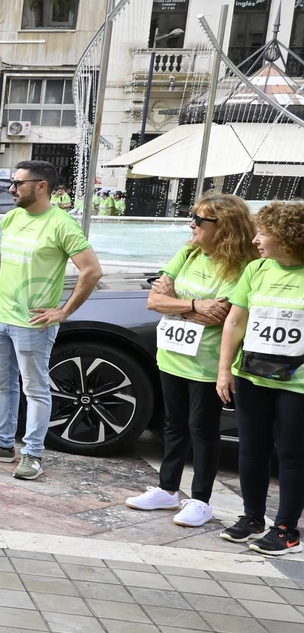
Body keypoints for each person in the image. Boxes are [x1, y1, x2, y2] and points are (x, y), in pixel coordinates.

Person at [0, 160, 102, 481]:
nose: (12, 189)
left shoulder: (61, 224)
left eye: (18, 184)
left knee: (35, 389)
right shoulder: (11, 218)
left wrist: (63, 311)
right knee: (3, 384)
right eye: (13, 182)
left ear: (41, 186)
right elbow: (5, 262)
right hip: (0, 318)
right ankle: (2, 444)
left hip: (33, 323)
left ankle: (34, 453)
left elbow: (92, 271)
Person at [125, 194, 255, 529]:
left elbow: (223, 315)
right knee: (173, 423)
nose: (192, 224)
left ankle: (201, 500)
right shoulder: (189, 252)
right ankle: (168, 489)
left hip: (208, 363)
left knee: (203, 429)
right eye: (193, 217)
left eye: (200, 220)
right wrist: (195, 306)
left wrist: (180, 302)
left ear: (224, 227)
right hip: (172, 356)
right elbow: (155, 300)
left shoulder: (243, 267)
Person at [215, 200, 304, 556]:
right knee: (252, 450)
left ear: (288, 237)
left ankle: (287, 528)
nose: (256, 239)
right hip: (252, 375)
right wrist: (224, 370)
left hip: (297, 384)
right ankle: (253, 518)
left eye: (264, 233)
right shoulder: (257, 270)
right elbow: (235, 322)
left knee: (293, 455)